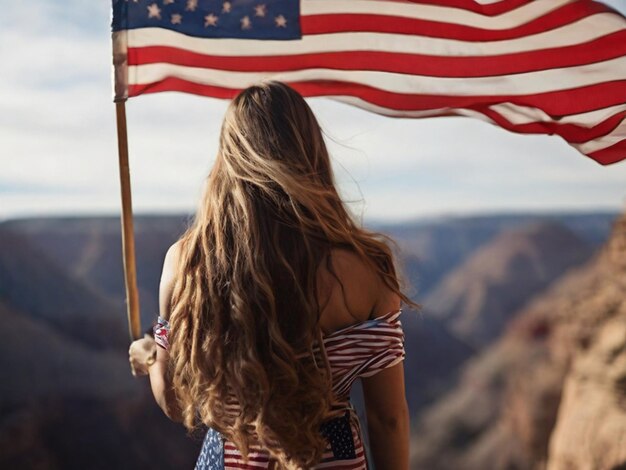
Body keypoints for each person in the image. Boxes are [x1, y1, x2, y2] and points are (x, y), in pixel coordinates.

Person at [128, 81, 417, 469]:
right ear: (310, 153)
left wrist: (149, 355)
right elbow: (389, 419)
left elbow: (176, 404)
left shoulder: (186, 263)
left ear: (229, 157)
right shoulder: (368, 269)